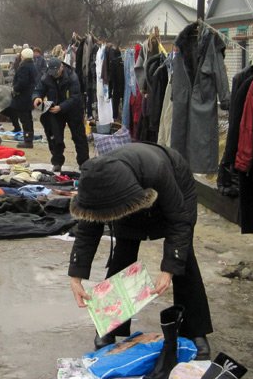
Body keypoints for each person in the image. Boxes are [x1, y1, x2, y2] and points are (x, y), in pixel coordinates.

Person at [67, 142, 213, 359]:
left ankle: (194, 330)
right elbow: (88, 229)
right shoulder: (94, 183)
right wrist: (76, 276)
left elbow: (179, 221)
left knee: (184, 257)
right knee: (124, 251)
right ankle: (111, 324)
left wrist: (169, 269)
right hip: (126, 189)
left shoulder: (158, 169)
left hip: (175, 185)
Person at [32, 57, 89, 171]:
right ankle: (57, 162)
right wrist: (36, 97)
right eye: (52, 72)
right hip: (55, 109)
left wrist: (61, 107)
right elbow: (38, 90)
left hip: (73, 109)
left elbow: (75, 97)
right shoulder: (46, 77)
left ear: (61, 67)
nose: (54, 75)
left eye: (56, 72)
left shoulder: (72, 77)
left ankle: (84, 162)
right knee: (54, 136)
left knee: (79, 136)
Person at [12, 48, 39, 148]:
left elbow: (22, 82)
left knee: (25, 119)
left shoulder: (24, 67)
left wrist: (15, 89)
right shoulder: (32, 65)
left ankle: (27, 140)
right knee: (28, 119)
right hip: (29, 96)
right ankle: (29, 138)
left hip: (23, 97)